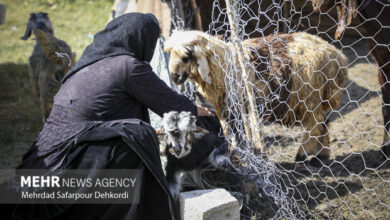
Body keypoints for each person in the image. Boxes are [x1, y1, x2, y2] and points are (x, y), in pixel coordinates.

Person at [3, 12, 213, 220]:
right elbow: (173, 105)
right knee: (135, 136)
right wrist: (206, 114)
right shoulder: (127, 66)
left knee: (125, 132)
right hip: (65, 176)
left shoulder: (83, 69)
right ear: (140, 38)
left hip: (37, 174)